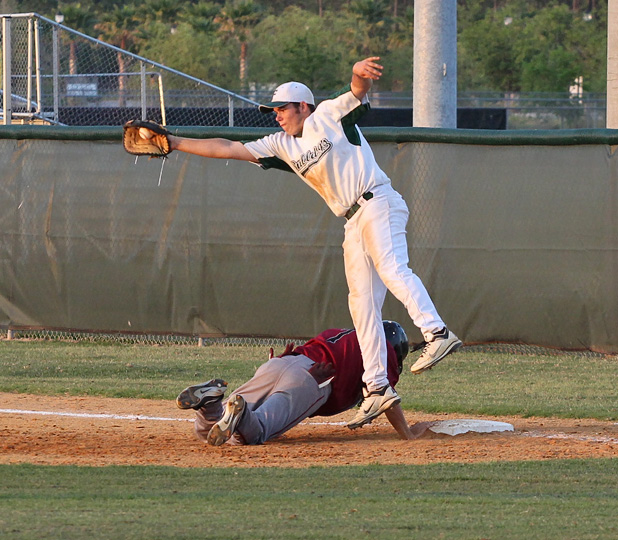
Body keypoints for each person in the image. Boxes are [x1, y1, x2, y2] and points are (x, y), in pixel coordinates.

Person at [163, 56, 461, 429]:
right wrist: (174, 142)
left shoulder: (327, 116)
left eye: (282, 108)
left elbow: (357, 90)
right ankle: (377, 387)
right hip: (352, 220)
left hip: (377, 201)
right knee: (361, 306)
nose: (277, 115)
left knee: (391, 267)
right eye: (273, 110)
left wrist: (357, 72)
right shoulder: (281, 144)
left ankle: (436, 331)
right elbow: (227, 147)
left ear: (303, 105)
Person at [177, 321, 433, 445]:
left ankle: (210, 405)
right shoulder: (382, 347)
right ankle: (242, 414)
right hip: (312, 380)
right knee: (252, 434)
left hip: (280, 364)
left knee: (207, 432)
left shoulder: (342, 334)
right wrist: (407, 434)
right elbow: (384, 394)